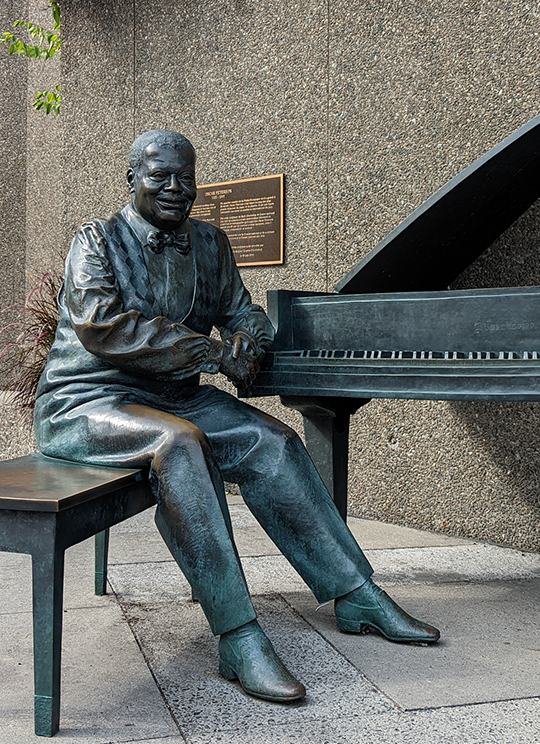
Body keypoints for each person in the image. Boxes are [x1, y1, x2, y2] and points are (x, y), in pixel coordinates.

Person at [34, 130, 438, 704]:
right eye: (159, 177)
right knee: (180, 445)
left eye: (186, 177)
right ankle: (238, 635)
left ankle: (356, 594)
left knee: (269, 440)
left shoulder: (211, 244)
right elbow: (102, 325)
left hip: (175, 396)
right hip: (89, 401)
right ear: (132, 181)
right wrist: (211, 353)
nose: (176, 188)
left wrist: (249, 339)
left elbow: (242, 310)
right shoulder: (95, 240)